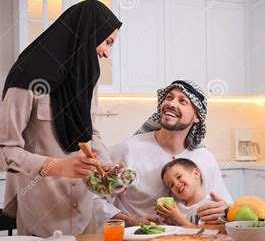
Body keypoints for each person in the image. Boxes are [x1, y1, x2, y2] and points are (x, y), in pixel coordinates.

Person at [0, 0, 122, 238]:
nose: (107, 53)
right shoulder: (28, 77)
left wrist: (106, 165)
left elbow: (90, 131)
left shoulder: (87, 77)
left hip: (84, 210)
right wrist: (59, 166)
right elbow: (0, 152)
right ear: (87, 33)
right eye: (107, 41)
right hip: (40, 210)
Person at [93, 80, 232, 229]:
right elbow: (95, 197)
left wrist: (225, 210)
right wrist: (130, 220)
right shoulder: (128, 149)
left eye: (182, 101)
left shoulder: (205, 158)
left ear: (197, 117)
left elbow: (225, 205)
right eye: (169, 97)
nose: (172, 103)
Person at [157, 158, 213, 226]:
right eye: (171, 185)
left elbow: (204, 233)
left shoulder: (211, 206)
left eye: (179, 177)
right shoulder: (177, 207)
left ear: (196, 173)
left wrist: (177, 217)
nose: (176, 184)